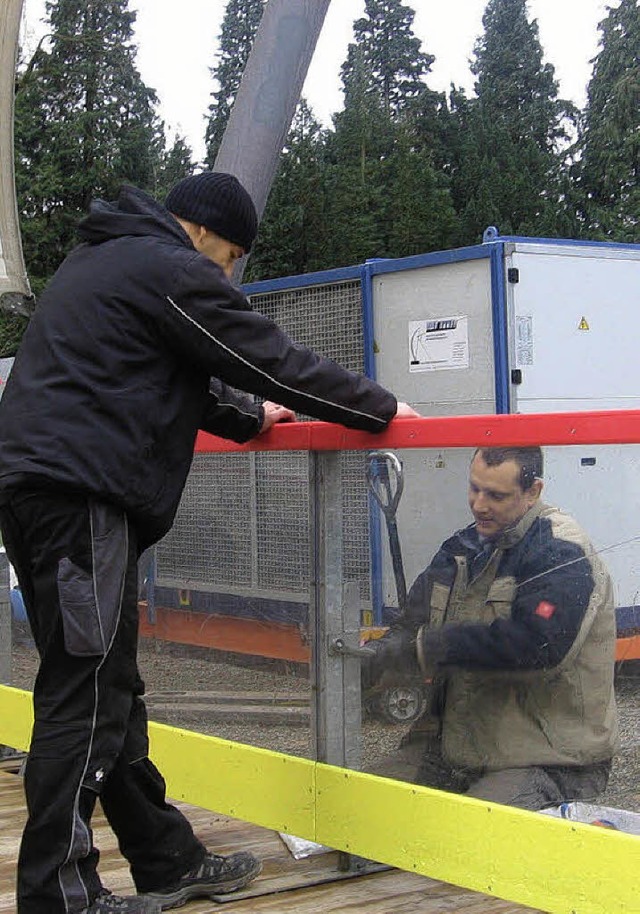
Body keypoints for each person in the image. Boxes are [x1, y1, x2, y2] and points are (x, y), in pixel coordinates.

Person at [0, 171, 419, 914]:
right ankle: (57, 897)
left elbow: (169, 370)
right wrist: (381, 408)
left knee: (107, 687)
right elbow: (265, 355)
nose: (225, 275)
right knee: (85, 694)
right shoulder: (168, 266)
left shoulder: (108, 258)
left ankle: (167, 860)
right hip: (81, 499)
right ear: (208, 235)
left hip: (44, 494)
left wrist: (249, 416)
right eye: (231, 260)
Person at [363, 446, 619, 810]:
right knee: (360, 808)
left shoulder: (561, 553)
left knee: (469, 841)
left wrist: (433, 647)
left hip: (547, 758)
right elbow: (412, 624)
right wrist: (378, 658)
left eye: (496, 495)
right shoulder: (463, 548)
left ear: (533, 491)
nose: (479, 505)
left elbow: (539, 646)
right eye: (474, 489)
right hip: (453, 746)